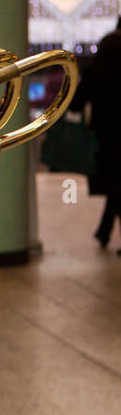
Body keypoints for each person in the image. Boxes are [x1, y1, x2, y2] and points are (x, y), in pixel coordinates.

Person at [71, 16, 121, 250]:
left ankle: (104, 229)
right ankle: (105, 229)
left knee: (115, 181)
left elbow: (79, 98)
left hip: (106, 133)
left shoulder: (100, 61)